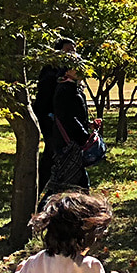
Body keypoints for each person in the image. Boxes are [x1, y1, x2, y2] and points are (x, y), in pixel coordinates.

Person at [44, 58, 94, 196]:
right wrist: (84, 135)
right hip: (67, 142)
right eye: (77, 68)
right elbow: (68, 118)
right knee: (61, 183)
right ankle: (44, 212)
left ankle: (84, 211)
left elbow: (76, 115)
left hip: (71, 141)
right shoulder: (65, 89)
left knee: (75, 181)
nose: (81, 70)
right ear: (68, 71)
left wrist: (88, 124)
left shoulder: (74, 88)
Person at [33, 37, 76, 193]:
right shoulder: (51, 70)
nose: (72, 54)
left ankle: (55, 189)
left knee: (60, 154)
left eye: (74, 50)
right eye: (68, 50)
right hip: (50, 118)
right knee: (53, 153)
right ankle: (40, 189)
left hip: (63, 119)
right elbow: (44, 97)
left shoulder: (71, 71)